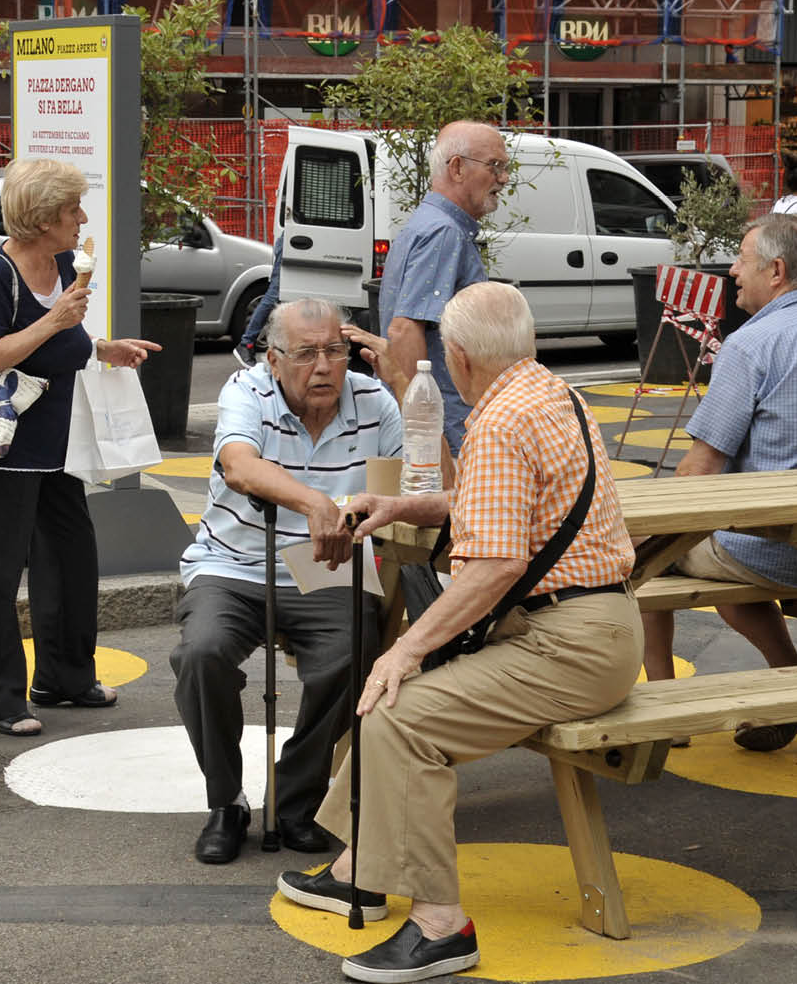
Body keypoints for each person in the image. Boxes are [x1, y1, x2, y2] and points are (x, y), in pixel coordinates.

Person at [276, 282, 642, 983]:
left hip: (570, 640)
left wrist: (406, 648)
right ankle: (361, 869)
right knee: (388, 700)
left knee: (397, 716)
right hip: (596, 626)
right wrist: (404, 503)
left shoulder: (500, 421)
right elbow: (499, 498)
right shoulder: (551, 394)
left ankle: (441, 926)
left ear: (462, 357)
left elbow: (496, 564)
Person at [172, 297, 402, 865]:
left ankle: (296, 800)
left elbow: (421, 484)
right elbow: (240, 466)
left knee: (355, 652)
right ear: (274, 360)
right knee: (202, 654)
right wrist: (315, 503)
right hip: (233, 562)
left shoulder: (375, 400)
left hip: (326, 567)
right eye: (306, 353)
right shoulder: (247, 391)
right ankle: (226, 801)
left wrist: (404, 384)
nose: (324, 366)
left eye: (335, 350)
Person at [0, 157, 160, 737]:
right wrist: (53, 321)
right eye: (71, 209)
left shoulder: (68, 262)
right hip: (3, 449)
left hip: (59, 446)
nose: (82, 217)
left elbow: (64, 339)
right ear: (43, 217)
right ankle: (1, 699)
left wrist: (104, 348)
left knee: (73, 562)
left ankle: (65, 677)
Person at [640, 212, 797, 752]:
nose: (732, 272)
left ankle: (667, 715)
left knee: (649, 554)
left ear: (777, 270)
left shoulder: (751, 345)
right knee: (723, 547)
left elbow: (700, 470)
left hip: (774, 548)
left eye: (742, 260)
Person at [378, 120, 508, 456]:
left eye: (505, 168)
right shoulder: (443, 232)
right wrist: (424, 428)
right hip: (447, 431)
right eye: (495, 166)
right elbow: (404, 329)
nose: (504, 179)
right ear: (457, 168)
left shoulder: (432, 224)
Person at [232, 231, 283, 368]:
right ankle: (246, 344)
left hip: (292, 243)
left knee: (282, 299)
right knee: (275, 295)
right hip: (291, 244)